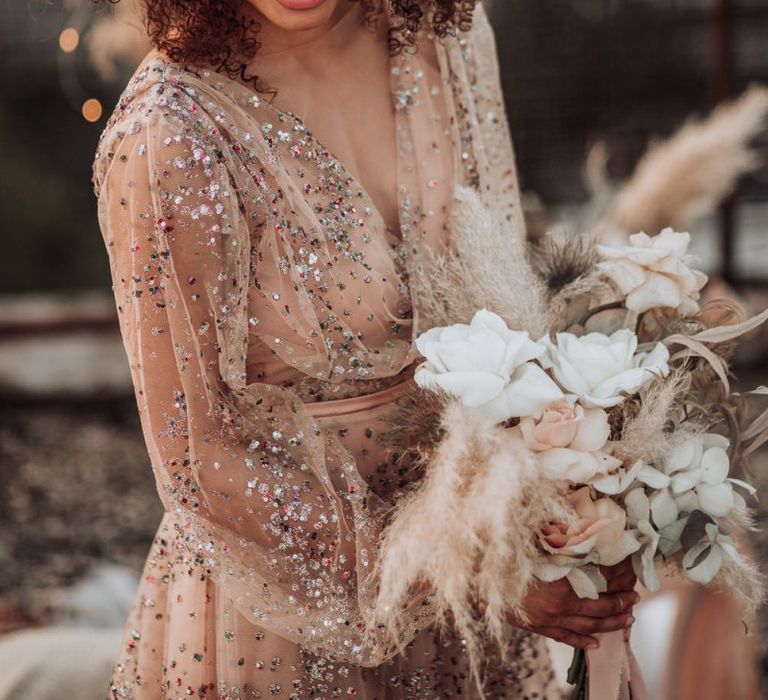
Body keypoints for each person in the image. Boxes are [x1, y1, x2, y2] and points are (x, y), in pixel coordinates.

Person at [92, 0, 638, 696]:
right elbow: (201, 458)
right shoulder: (168, 132)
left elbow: (509, 301)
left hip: (490, 587)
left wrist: (584, 494)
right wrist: (461, 576)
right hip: (285, 612)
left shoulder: (449, 40)